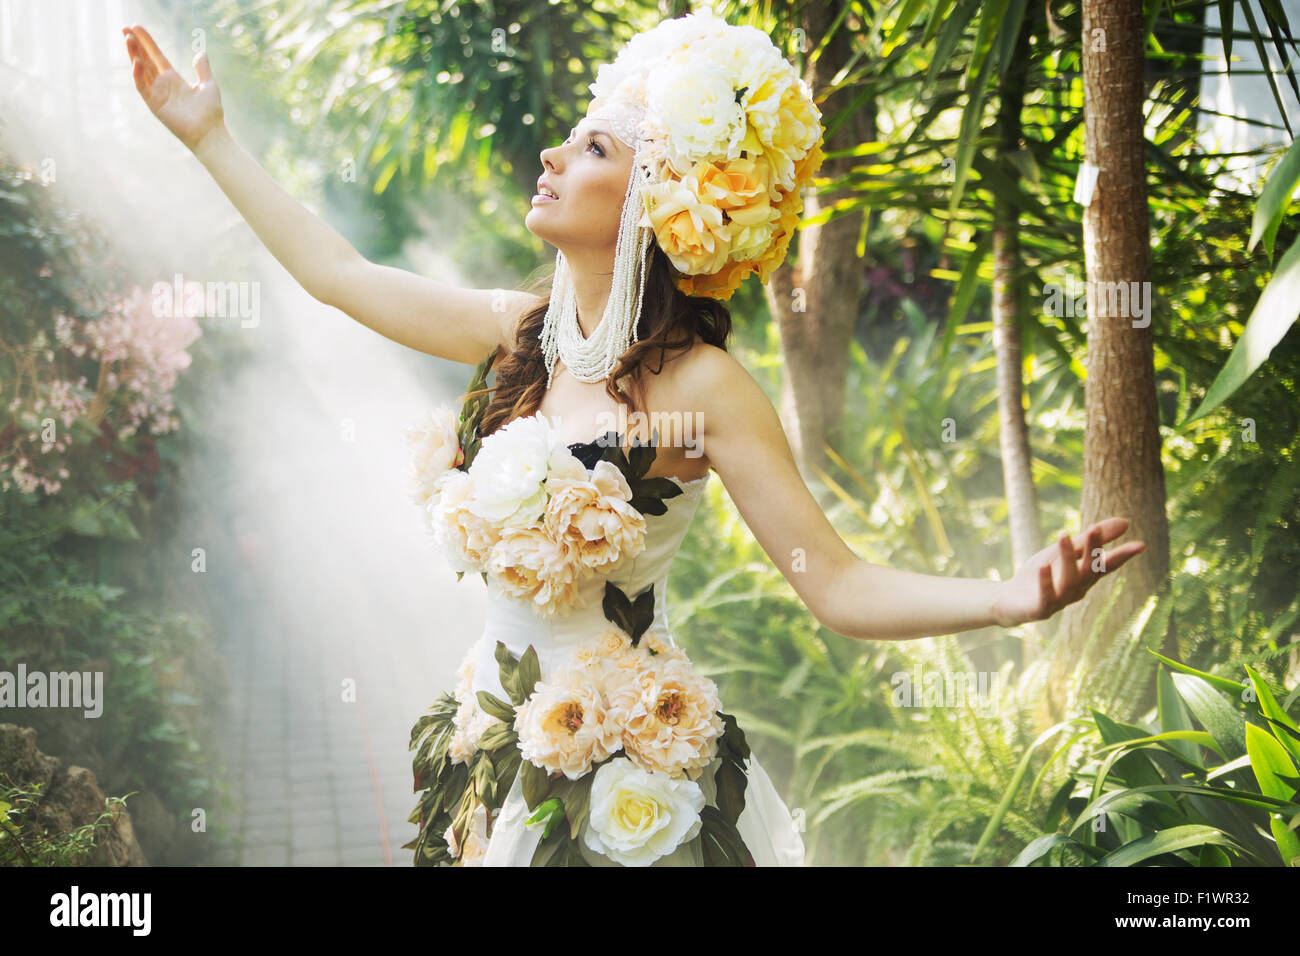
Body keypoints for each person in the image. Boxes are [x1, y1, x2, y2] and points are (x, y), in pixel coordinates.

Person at [123, 9, 1145, 867]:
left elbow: (833, 582)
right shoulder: (524, 335)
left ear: (656, 203)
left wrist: (1008, 599)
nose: (552, 156)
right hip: (501, 733)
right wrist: (208, 136)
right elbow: (338, 276)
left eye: (594, 148)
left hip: (630, 772)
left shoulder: (703, 387)